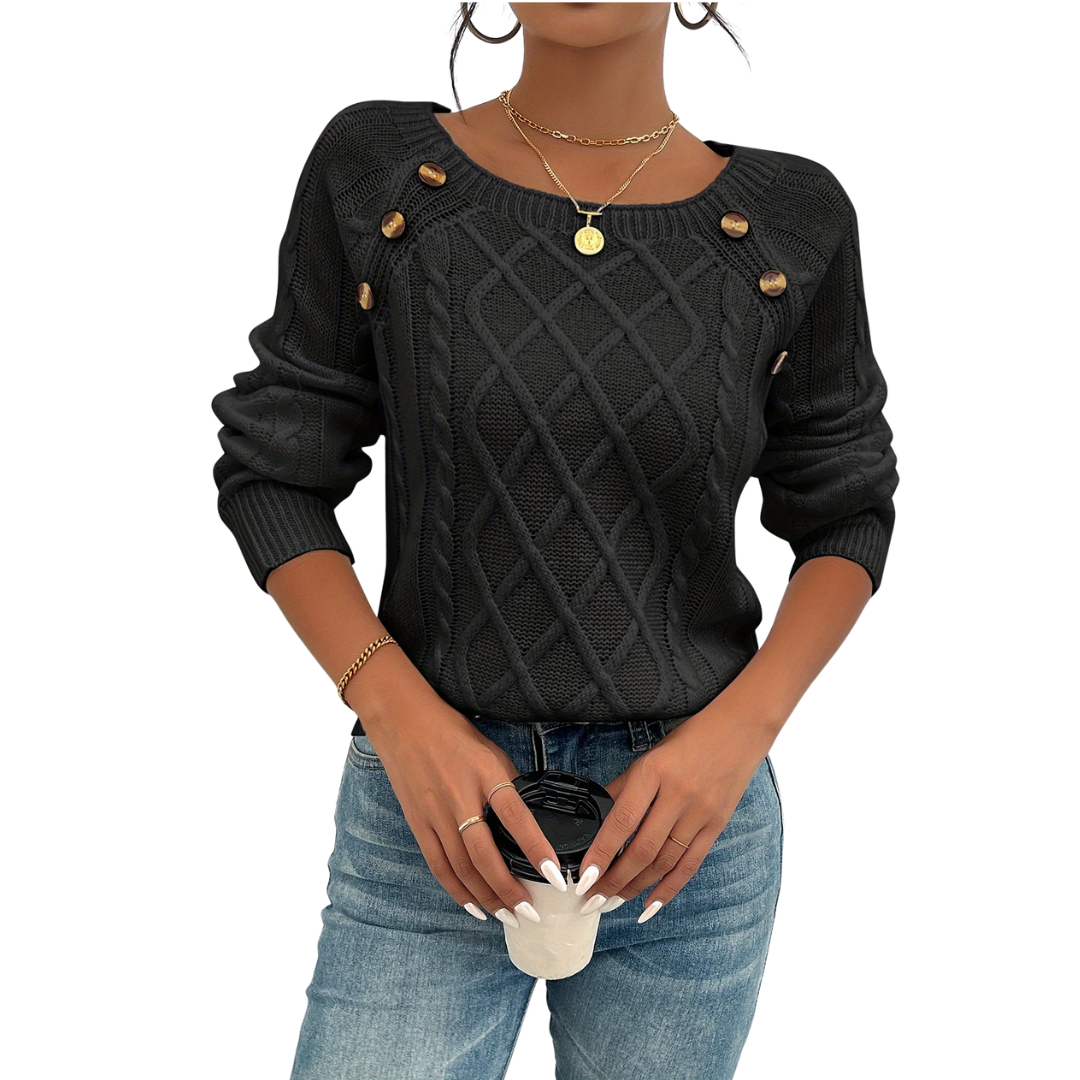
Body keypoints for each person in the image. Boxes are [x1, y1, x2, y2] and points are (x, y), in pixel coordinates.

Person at [209, 4, 899, 1077]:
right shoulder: (383, 174)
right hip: (431, 812)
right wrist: (396, 713)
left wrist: (739, 735)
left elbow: (846, 505)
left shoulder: (791, 220)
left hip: (687, 832)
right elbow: (278, 468)